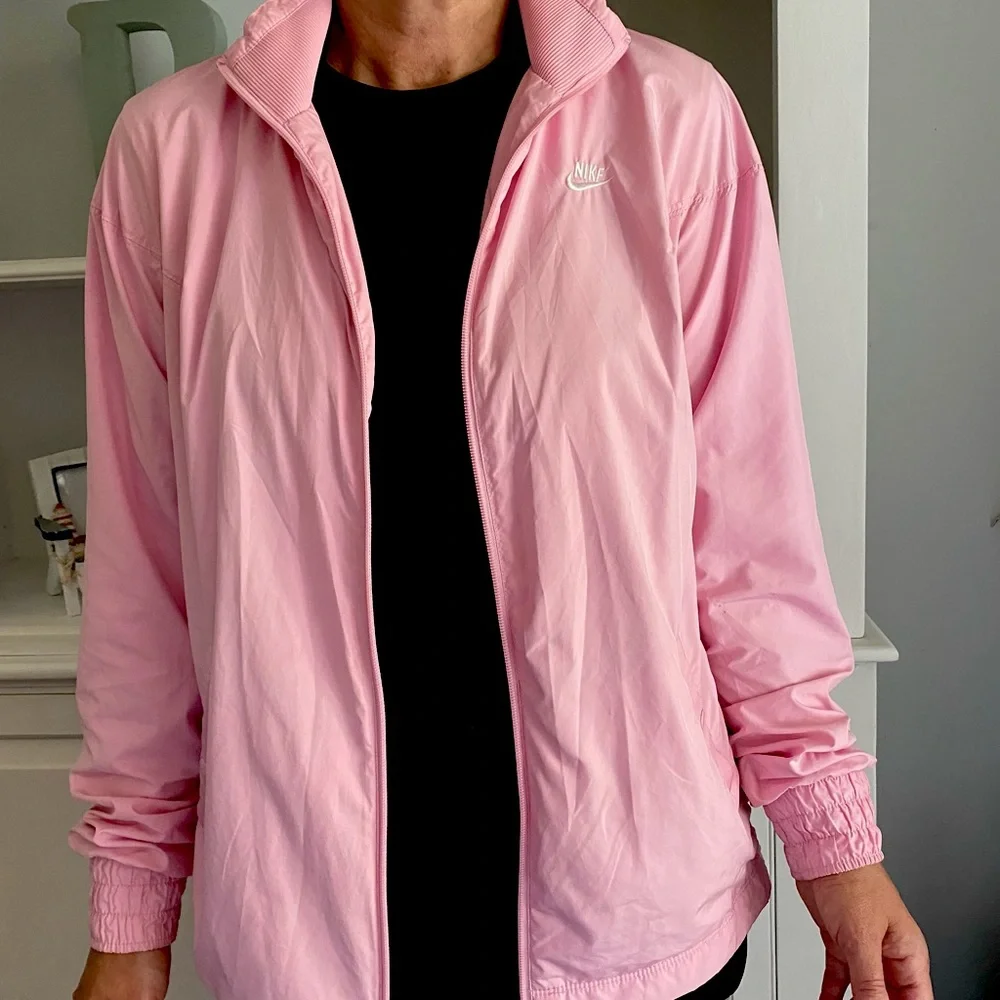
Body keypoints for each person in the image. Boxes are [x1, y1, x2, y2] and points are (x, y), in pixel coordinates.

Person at [69, 0, 932, 998]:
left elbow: (750, 541)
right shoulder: (171, 152)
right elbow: (145, 578)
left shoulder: (672, 118)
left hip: (626, 910)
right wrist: (131, 919)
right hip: (305, 928)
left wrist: (834, 840)